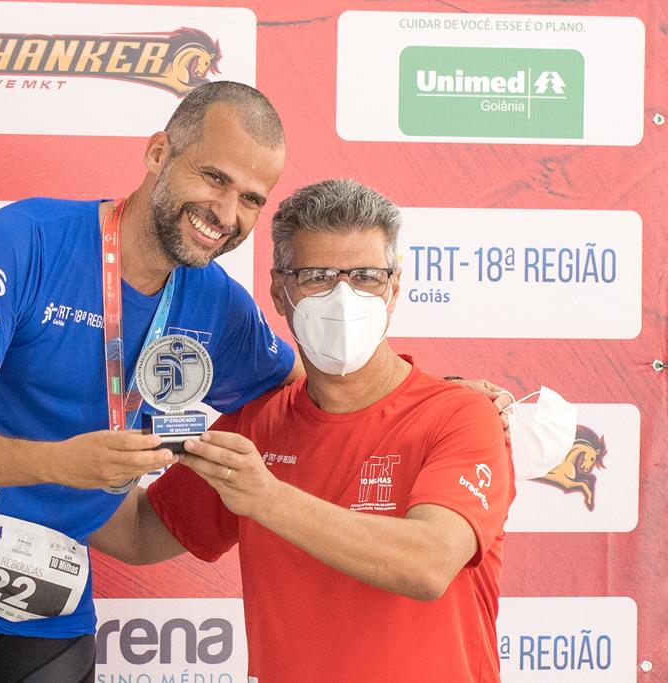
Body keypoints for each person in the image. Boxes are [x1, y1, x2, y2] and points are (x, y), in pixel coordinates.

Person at [0, 82, 297, 682]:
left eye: (251, 199)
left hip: (41, 588)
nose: (226, 215)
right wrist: (67, 464)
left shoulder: (219, 307)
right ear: (158, 153)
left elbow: (307, 398)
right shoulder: (25, 239)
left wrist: (242, 489)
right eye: (213, 178)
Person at [92, 179, 515, 682]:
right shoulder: (259, 422)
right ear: (279, 290)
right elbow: (141, 532)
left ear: (394, 288)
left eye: (366, 276)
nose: (343, 297)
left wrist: (267, 498)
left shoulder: (461, 415)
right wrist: (32, 457)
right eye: (317, 276)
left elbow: (428, 564)